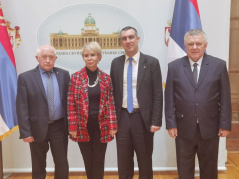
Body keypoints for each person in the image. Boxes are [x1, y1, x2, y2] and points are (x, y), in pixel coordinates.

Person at [165, 29, 232, 179]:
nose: (194, 47)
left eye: (198, 43)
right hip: (183, 128)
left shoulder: (219, 65)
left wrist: (225, 124)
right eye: (190, 44)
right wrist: (171, 124)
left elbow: (225, 98)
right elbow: (169, 98)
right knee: (184, 170)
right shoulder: (174, 67)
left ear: (205, 45)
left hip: (210, 128)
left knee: (209, 170)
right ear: (185, 46)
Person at [110, 26, 163, 179]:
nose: (128, 41)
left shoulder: (152, 63)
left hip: (143, 119)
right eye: (124, 38)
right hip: (123, 118)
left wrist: (156, 121)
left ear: (137, 39)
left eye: (131, 37)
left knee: (145, 160)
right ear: (121, 42)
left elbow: (158, 94)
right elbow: (113, 94)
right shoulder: (116, 63)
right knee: (124, 161)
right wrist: (112, 122)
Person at [16, 45, 70, 179]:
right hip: (36, 128)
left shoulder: (64, 75)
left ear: (55, 58)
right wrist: (26, 132)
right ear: (37, 58)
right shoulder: (25, 77)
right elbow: (22, 106)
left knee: (62, 162)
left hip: (59, 127)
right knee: (38, 164)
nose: (47, 60)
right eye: (44, 57)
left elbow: (69, 102)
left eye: (51, 57)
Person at [67, 42, 118, 179]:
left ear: (99, 57)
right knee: (88, 160)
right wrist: (72, 127)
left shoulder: (106, 79)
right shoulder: (75, 78)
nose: (89, 58)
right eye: (86, 55)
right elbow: (70, 104)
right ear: (83, 58)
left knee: (99, 160)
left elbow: (111, 103)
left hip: (102, 126)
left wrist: (113, 126)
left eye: (92, 55)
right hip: (82, 126)